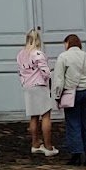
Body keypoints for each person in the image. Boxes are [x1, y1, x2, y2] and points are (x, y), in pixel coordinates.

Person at [52, 32, 86, 166]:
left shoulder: (63, 57)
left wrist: (57, 96)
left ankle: (76, 154)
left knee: (73, 123)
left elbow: (59, 79)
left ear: (67, 44)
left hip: (71, 93)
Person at [17, 27, 57, 157]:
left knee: (33, 116)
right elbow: (45, 72)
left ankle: (35, 143)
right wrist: (49, 77)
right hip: (39, 86)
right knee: (46, 115)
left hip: (28, 86)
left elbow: (20, 72)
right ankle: (48, 146)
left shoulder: (21, 54)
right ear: (38, 40)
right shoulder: (37, 54)